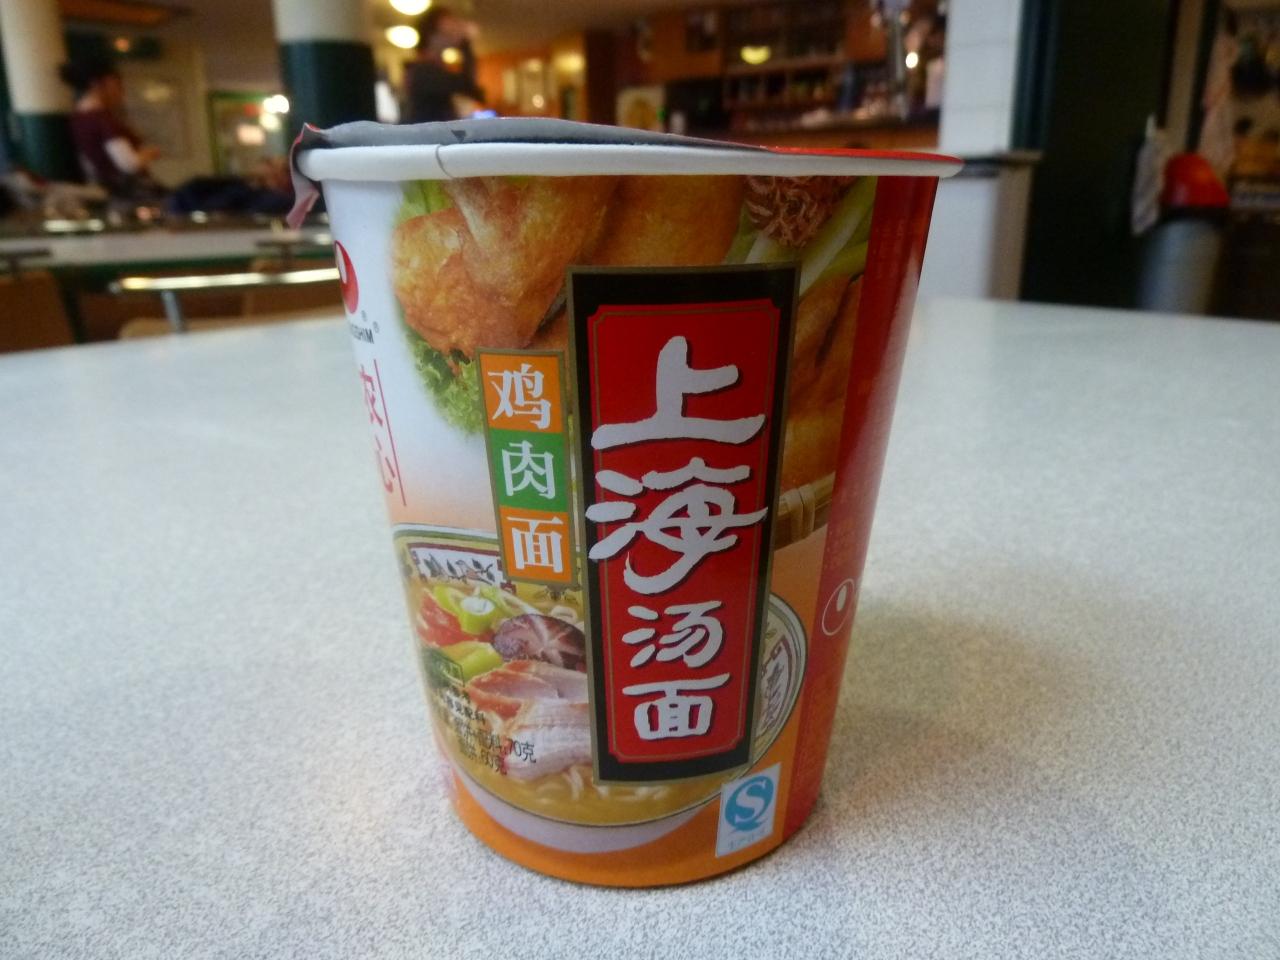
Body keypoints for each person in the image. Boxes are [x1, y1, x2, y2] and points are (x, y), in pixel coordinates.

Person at [58, 56, 162, 197]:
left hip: (108, 189)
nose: (120, 90)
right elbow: (128, 164)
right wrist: (150, 152)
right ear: (96, 84)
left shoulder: (77, 118)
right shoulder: (101, 119)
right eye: (116, 83)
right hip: (131, 192)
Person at [404, 7, 485, 124]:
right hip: (430, 134)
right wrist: (465, 43)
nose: (454, 29)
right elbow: (467, 83)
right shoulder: (423, 71)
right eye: (447, 26)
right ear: (432, 33)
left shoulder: (427, 69)